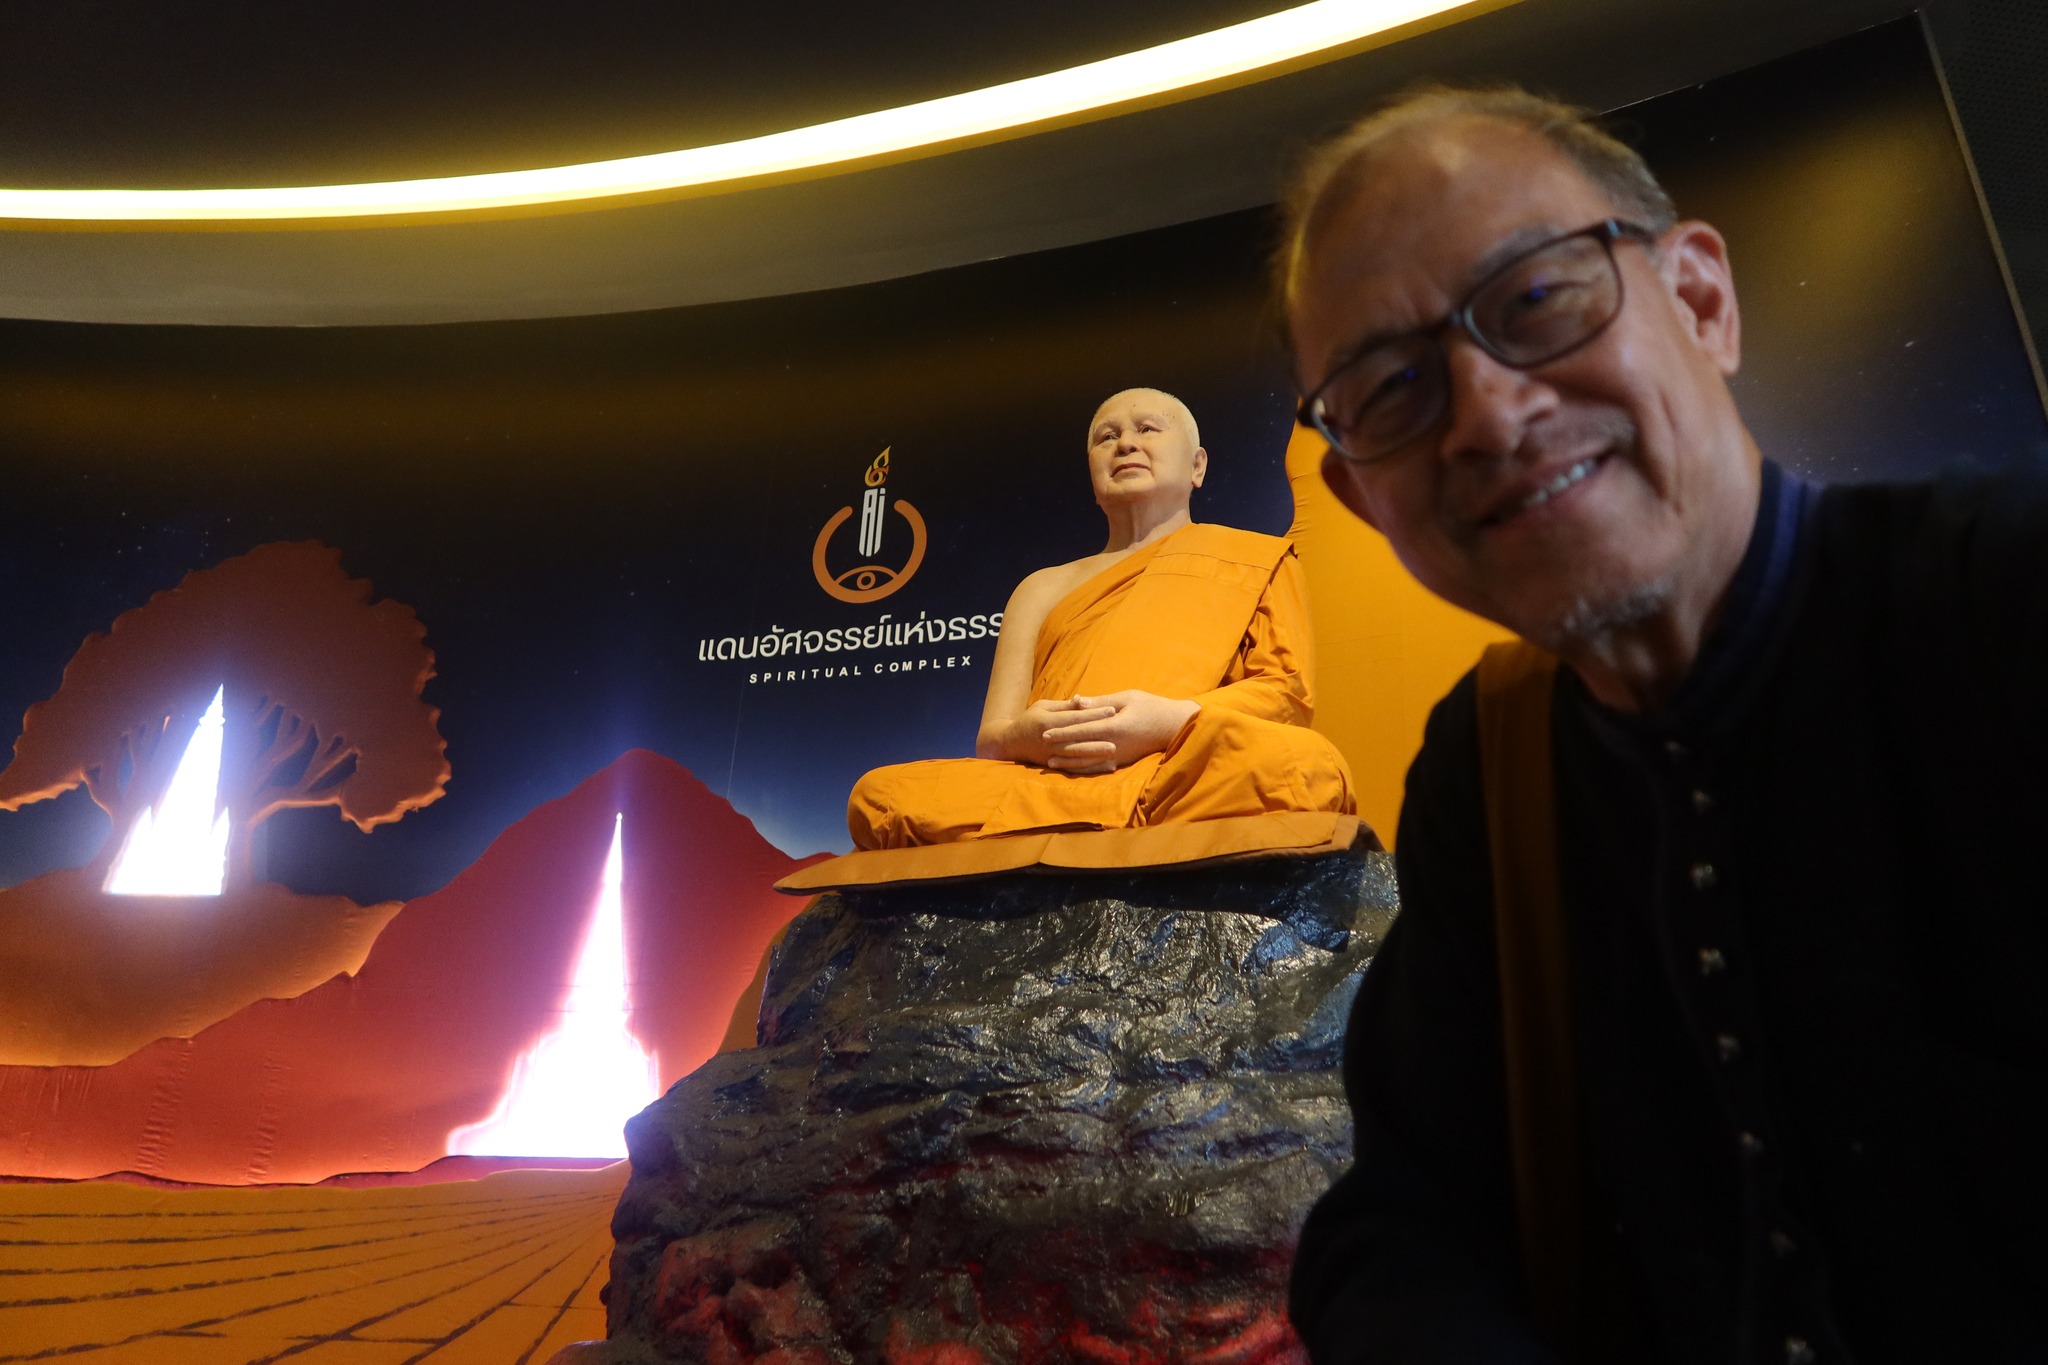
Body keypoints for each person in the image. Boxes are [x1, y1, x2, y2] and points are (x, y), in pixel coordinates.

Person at [1277, 87, 2047, 1363]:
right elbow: (1412, 1221)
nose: (1488, 415)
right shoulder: (1493, 767)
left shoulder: (2004, 599)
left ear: (1699, 302)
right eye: (1391, 386)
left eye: (1535, 298)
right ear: (1363, 501)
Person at [847, 387, 1354, 848]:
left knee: (1306, 768)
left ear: (1197, 466)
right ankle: (1106, 825)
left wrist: (1163, 722)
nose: (1125, 444)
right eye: (1106, 438)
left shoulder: (1255, 559)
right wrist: (1033, 736)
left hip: (1171, 771)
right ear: (1092, 475)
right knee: (879, 796)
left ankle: (1056, 832)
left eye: (1147, 429)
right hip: (1049, 779)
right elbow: (994, 738)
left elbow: (1285, 695)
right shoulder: (1041, 587)